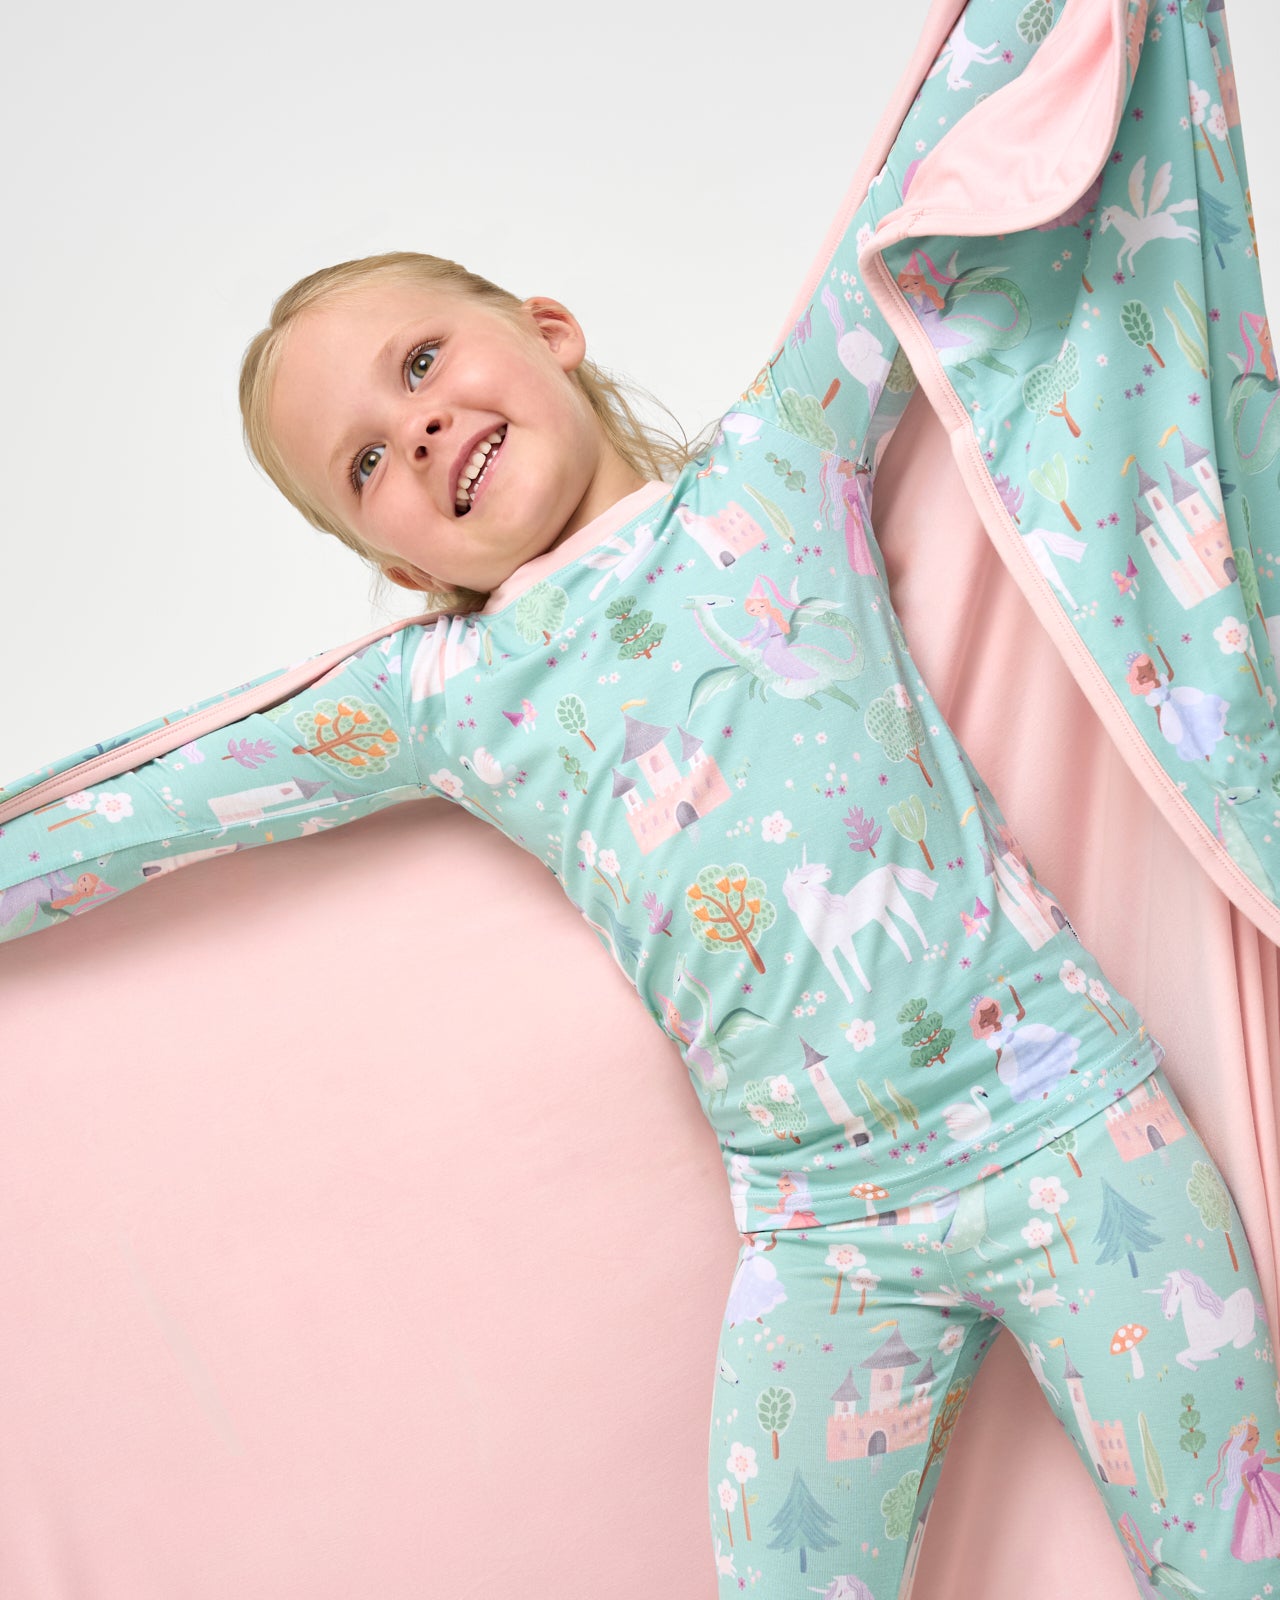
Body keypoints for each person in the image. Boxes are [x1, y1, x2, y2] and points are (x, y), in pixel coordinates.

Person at [3, 0, 1279, 1593]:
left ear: (549, 328)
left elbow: (921, 200)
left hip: (1076, 1130)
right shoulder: (444, 699)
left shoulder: (782, 459)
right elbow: (160, 803)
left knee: (1232, 1559)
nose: (419, 428)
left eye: (420, 363)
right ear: (396, 563)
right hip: (831, 1234)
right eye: (368, 463)